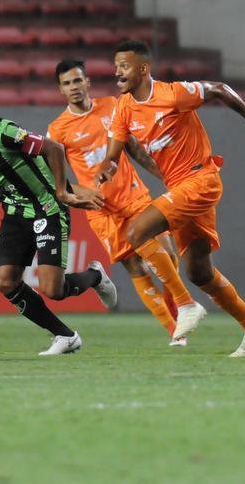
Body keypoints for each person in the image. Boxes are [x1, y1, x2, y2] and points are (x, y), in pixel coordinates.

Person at [95, 41, 245, 357]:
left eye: (124, 65)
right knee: (199, 272)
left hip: (201, 179)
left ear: (143, 68)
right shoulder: (124, 108)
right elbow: (116, 152)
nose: (117, 71)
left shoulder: (173, 94)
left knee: (137, 232)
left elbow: (219, 88)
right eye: (116, 65)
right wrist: (107, 166)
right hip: (179, 187)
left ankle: (184, 305)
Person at [0, 86, 114, 356]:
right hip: (15, 214)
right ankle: (65, 336)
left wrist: (62, 192)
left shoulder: (4, 131)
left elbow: (54, 148)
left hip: (47, 207)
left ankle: (95, 276)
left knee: (54, 290)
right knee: (5, 282)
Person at [47, 59, 184, 345]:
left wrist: (165, 174)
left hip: (134, 194)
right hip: (101, 209)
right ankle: (175, 332)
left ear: (87, 83)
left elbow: (134, 148)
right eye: (66, 83)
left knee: (169, 254)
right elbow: (52, 176)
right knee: (136, 266)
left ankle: (178, 306)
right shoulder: (57, 130)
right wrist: (81, 193)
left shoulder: (113, 106)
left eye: (77, 81)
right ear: (61, 90)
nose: (73, 87)